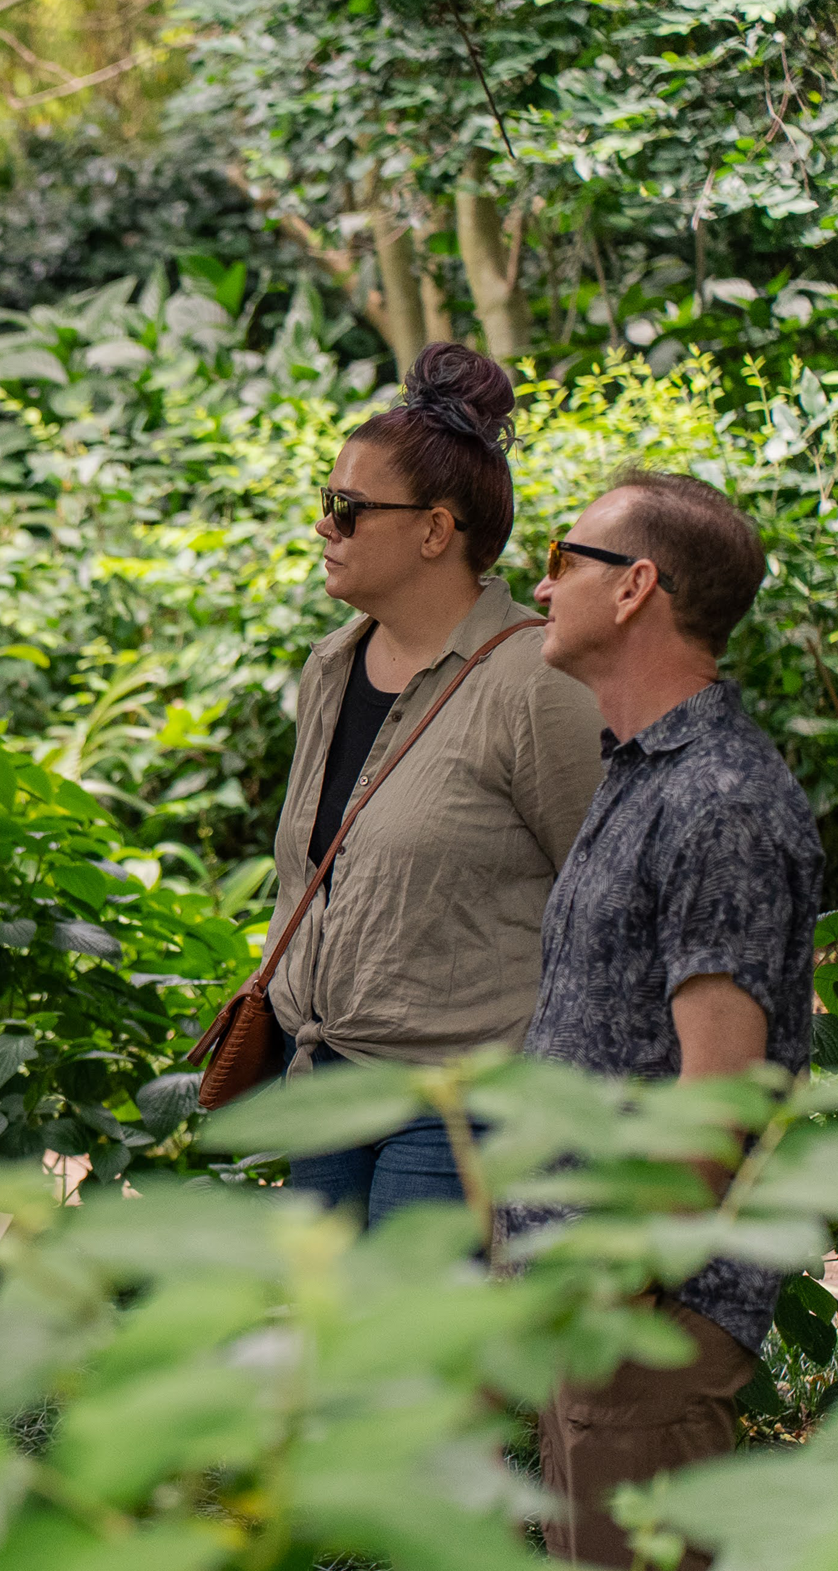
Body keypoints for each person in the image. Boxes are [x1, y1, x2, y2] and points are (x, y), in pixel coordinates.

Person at [521, 469, 821, 1571]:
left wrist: (628, 1290)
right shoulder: (642, 773)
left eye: (565, 555)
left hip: (644, 1318)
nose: (540, 581)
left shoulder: (720, 803)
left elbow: (722, 1089)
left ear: (636, 587)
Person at [263, 343, 604, 1225]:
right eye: (325, 502)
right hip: (325, 1083)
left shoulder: (537, 682)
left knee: (409, 1355)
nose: (323, 527)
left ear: (434, 531)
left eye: (346, 508)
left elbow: (607, 898)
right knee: (328, 1349)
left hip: (460, 1106)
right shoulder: (331, 668)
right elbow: (311, 876)